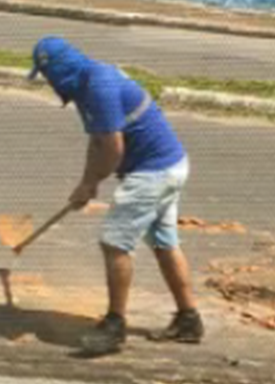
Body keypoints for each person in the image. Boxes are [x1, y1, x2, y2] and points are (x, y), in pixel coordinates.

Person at [27, 37, 204, 354]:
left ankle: (114, 326)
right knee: (164, 242)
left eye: (48, 76)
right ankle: (189, 319)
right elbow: (97, 140)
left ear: (59, 72)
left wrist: (92, 182)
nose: (50, 84)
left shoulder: (99, 88)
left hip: (153, 172)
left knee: (114, 243)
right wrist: (87, 182)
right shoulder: (87, 83)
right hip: (169, 165)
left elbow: (113, 148)